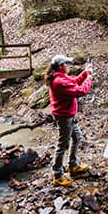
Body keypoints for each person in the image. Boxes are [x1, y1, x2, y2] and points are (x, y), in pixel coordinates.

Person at [45, 54, 93, 186]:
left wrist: (85, 73)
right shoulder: (58, 81)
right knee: (62, 145)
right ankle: (58, 174)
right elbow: (80, 91)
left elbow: (74, 82)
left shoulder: (60, 77)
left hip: (69, 114)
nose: (68, 66)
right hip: (64, 116)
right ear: (61, 66)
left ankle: (73, 165)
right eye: (66, 64)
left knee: (77, 138)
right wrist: (89, 78)